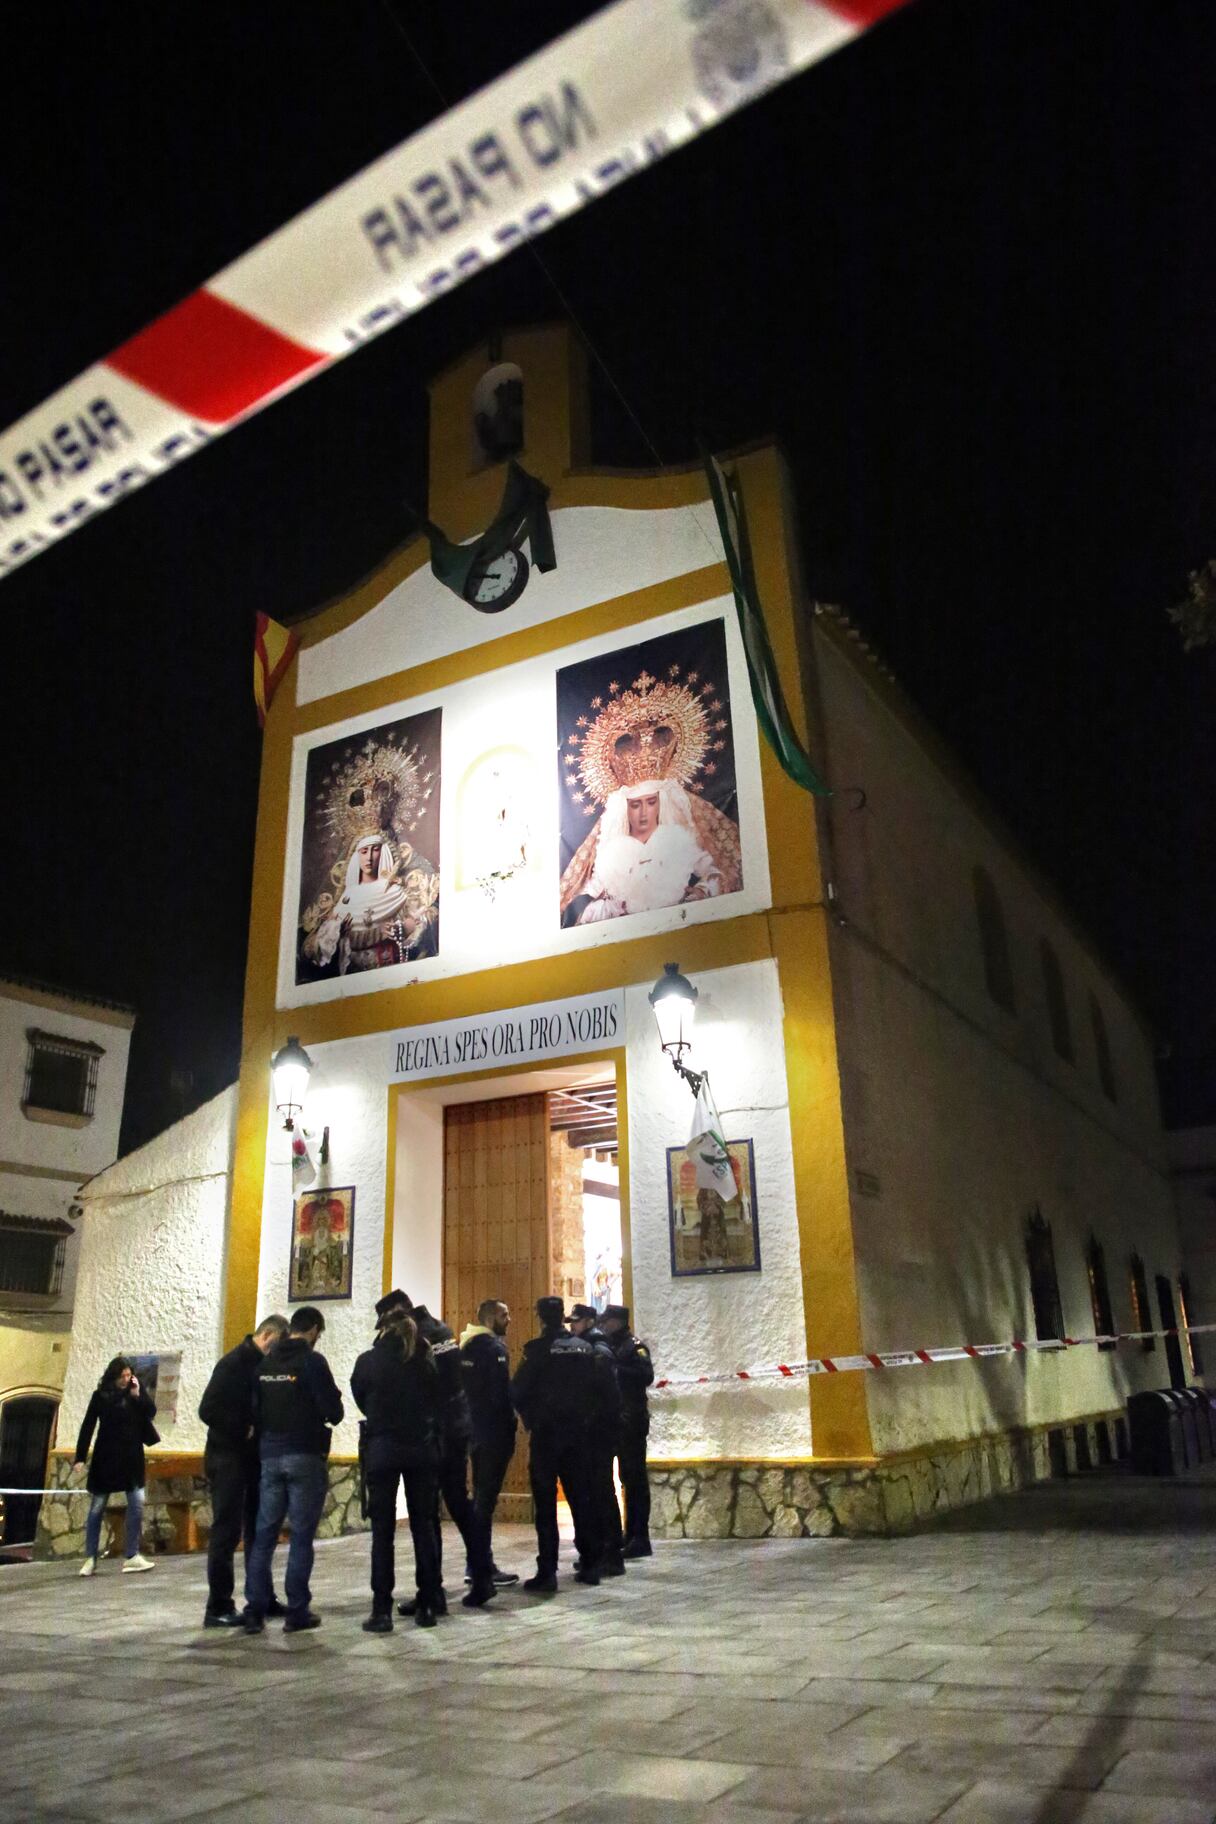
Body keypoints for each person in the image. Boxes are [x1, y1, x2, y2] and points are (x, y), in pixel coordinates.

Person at [559, 663, 743, 926]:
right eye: (635, 804)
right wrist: (604, 907)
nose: (643, 812)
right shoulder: (611, 852)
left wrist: (701, 892)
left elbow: (717, 873)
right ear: (625, 808)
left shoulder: (679, 842)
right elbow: (585, 894)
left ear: (661, 803)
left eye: (650, 802)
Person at [374, 1290, 495, 1615]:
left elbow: (420, 1385)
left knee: (428, 1513)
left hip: (436, 1431)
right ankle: (482, 1576)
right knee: (459, 1504)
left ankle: (432, 1591)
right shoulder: (441, 1329)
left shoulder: (418, 1337)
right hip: (457, 1425)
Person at [242, 1306, 344, 1634]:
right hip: (304, 1453)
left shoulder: (265, 1363)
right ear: (313, 1330)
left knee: (264, 1536)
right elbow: (334, 1411)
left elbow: (255, 1409)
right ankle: (297, 1610)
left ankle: (254, 1610)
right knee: (301, 1536)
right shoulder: (313, 1362)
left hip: (270, 1455)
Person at [351, 1310, 444, 1630]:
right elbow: (436, 1399)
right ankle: (427, 1605)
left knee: (382, 1534)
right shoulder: (424, 1361)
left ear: (383, 1330)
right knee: (423, 1529)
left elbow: (360, 1396)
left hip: (383, 1449)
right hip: (421, 1449)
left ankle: (381, 1610)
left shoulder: (368, 1362)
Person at [511, 1297, 611, 1592]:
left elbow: (517, 1391)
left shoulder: (536, 1350)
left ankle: (548, 1571)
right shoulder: (584, 1348)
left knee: (545, 1505)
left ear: (541, 1318)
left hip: (546, 1436)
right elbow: (601, 1388)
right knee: (582, 1499)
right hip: (578, 1434)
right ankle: (591, 1564)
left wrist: (531, 1418)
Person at [197, 1313, 289, 1627]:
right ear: (268, 1336)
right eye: (278, 1345)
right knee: (226, 1532)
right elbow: (207, 1409)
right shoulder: (232, 1364)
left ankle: (262, 1597)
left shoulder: (262, 1365)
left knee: (259, 1530)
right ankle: (218, 1606)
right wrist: (243, 1428)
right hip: (228, 1458)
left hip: (252, 1459)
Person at [73, 1356, 158, 1576]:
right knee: (97, 1506)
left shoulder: (134, 1393)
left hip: (131, 1456)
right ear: (113, 1376)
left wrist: (138, 1396)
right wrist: (80, 1457)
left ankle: (132, 1555)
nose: (126, 1379)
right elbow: (88, 1425)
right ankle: (90, 1557)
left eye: (129, 1375)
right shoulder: (101, 1396)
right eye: (122, 1376)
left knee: (137, 1502)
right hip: (106, 1456)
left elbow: (151, 1412)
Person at [459, 1299, 519, 1585]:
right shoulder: (493, 1349)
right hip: (493, 1433)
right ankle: (481, 1566)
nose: (509, 1319)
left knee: (480, 1498)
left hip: (473, 1431)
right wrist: (512, 1424)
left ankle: (476, 1562)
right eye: (504, 1315)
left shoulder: (464, 1346)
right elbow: (500, 1395)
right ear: (490, 1318)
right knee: (485, 1500)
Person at [568, 1303, 626, 1576]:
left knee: (602, 1492)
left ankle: (611, 1553)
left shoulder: (598, 1349)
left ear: (590, 1321)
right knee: (594, 1492)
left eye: (577, 1321)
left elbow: (606, 1395)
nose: (572, 1326)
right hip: (592, 1431)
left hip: (598, 1432)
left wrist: (594, 1421)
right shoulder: (588, 1346)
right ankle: (600, 1551)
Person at [601, 1304, 655, 1558]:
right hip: (617, 1420)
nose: (604, 1325)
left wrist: (616, 1368)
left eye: (608, 1321)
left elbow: (646, 1375)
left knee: (635, 1480)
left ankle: (640, 1537)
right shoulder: (611, 1346)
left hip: (633, 1421)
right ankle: (629, 1533)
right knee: (625, 1478)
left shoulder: (635, 1347)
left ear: (619, 1322)